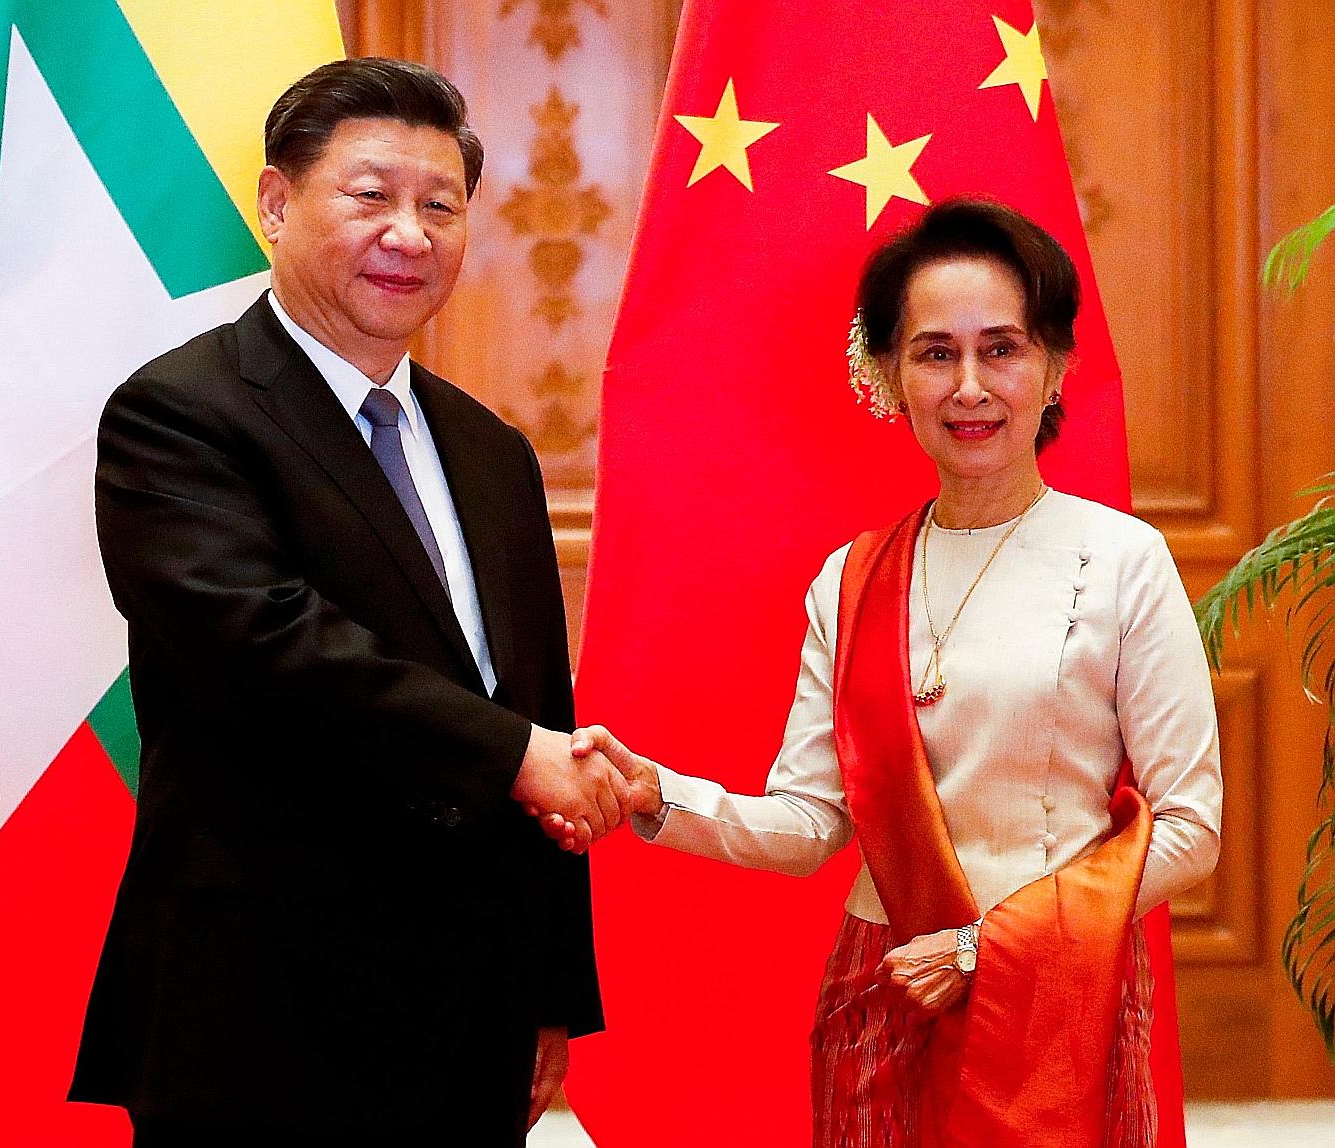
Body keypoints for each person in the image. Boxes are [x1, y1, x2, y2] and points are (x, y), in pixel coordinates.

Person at [560, 198, 1223, 1147]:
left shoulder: (1120, 559)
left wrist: (984, 949)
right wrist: (654, 794)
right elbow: (810, 825)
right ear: (888, 375)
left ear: (1056, 366)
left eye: (1002, 349)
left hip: (1054, 994)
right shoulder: (854, 577)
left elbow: (1191, 830)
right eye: (935, 353)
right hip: (886, 985)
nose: (969, 388)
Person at [68, 58, 629, 1147]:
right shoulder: (179, 415)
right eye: (371, 195)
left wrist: (554, 988)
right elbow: (269, 646)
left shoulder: (492, 450)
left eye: (441, 205)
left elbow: (536, 704)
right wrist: (515, 750)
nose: (409, 234)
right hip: (259, 1014)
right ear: (277, 203)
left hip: (472, 1016)